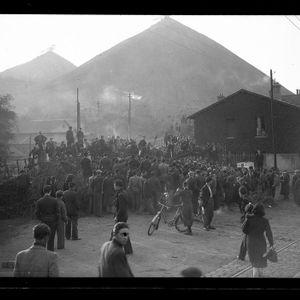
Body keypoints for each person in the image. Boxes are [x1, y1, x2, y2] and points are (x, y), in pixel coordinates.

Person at [242, 203, 274, 277]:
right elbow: (269, 233)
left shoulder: (249, 218)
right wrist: (271, 244)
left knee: (255, 264)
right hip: (261, 243)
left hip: (251, 243)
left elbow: (243, 230)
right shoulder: (265, 221)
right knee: (261, 262)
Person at [35, 185, 59, 251]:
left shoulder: (39, 201)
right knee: (51, 237)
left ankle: (43, 251)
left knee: (43, 236)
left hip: (44, 220)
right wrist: (55, 219)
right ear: (50, 191)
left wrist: (41, 219)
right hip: (52, 220)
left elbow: (37, 212)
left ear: (43, 191)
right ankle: (50, 251)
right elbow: (57, 212)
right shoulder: (54, 200)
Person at [112, 180, 133, 255]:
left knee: (115, 233)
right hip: (124, 216)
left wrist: (116, 217)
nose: (114, 186)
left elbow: (122, 208)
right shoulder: (124, 192)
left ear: (118, 186)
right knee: (123, 233)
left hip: (121, 216)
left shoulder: (120, 195)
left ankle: (111, 249)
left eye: (114, 185)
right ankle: (128, 250)